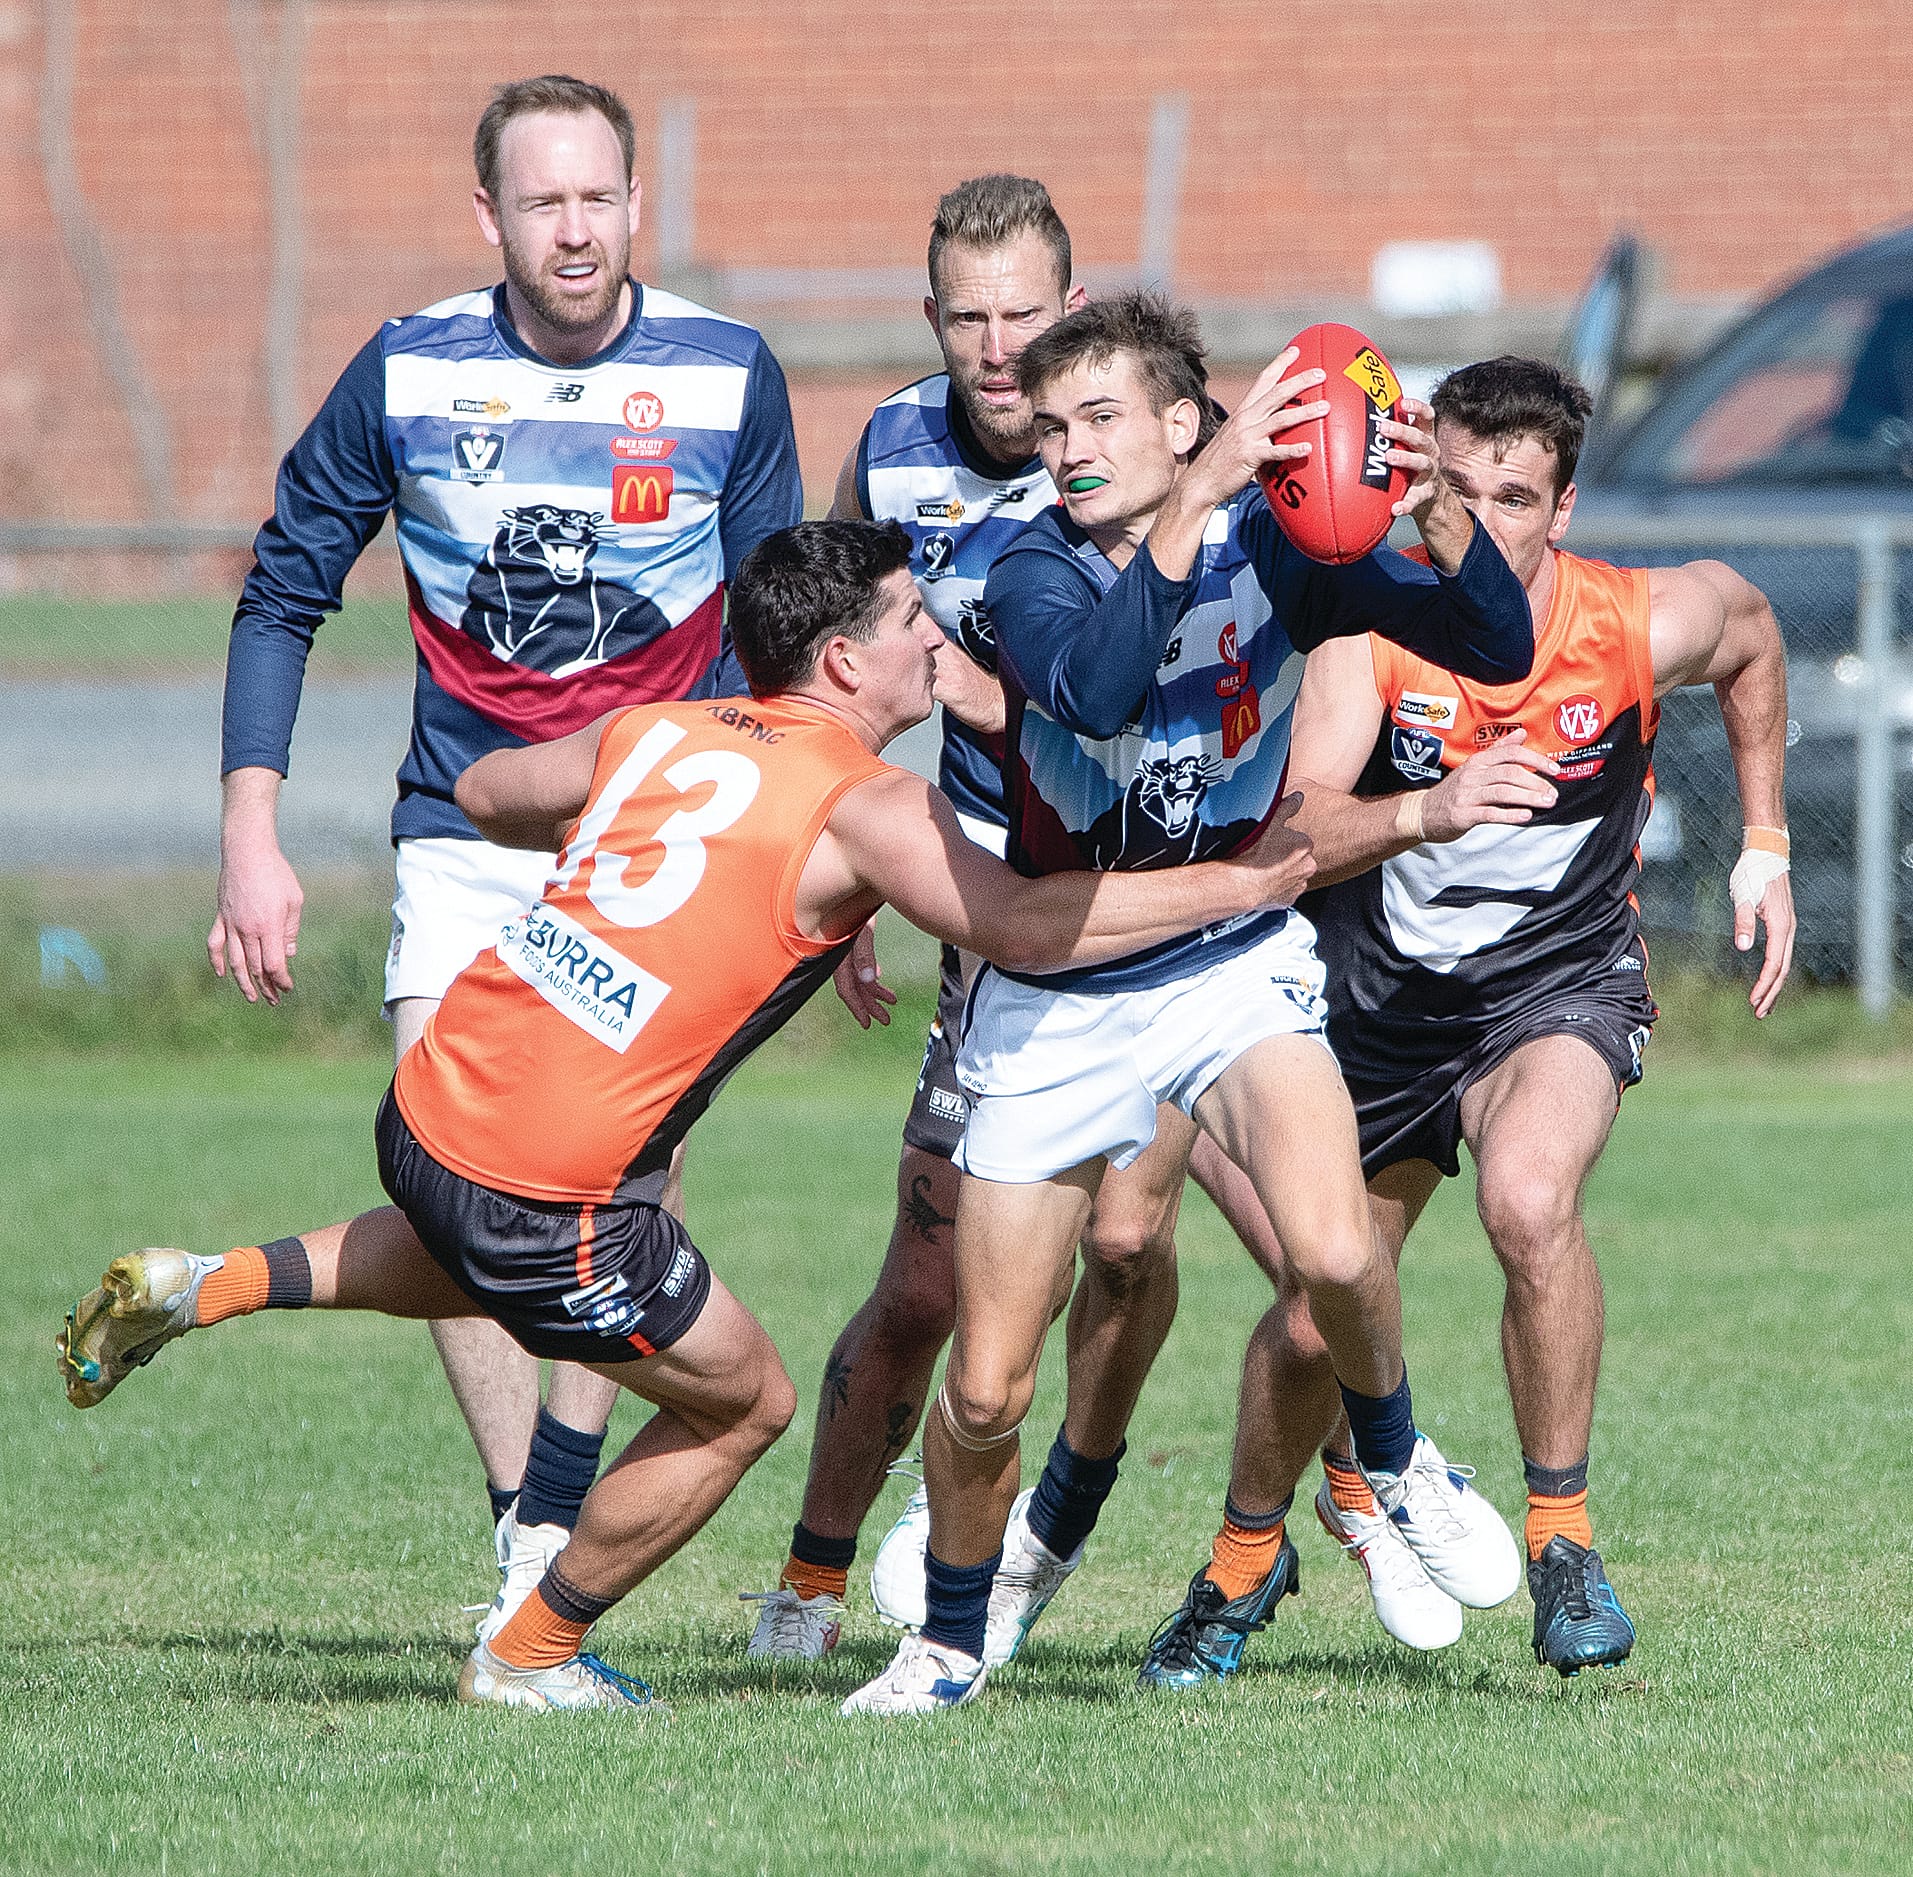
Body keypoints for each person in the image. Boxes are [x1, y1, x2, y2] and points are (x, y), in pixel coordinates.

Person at [58, 520, 1319, 1714]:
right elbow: (1026, 928)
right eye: (909, 620)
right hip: (548, 1178)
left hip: (439, 1096)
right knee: (743, 1400)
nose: (935, 637)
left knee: (476, 1240)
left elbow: (486, 786)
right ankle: (528, 1653)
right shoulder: (868, 804)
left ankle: (204, 1283)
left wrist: (622, 840)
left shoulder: (658, 727)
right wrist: (1238, 883)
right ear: (843, 662)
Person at [843, 294, 1538, 1717]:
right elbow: (1096, 692)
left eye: (1101, 417)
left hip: (1225, 959)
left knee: (1334, 1248)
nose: (1069, 447)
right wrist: (1197, 502)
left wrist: (1434, 512)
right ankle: (950, 1643)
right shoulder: (1021, 564)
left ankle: (1396, 1455)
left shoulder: (1274, 550)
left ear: (1179, 421)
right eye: (1053, 425)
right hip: (1060, 981)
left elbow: (1496, 645)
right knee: (985, 1388)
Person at [208, 74, 802, 1631]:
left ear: (636, 201)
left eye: (599, 197)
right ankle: (521, 1532)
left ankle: (549, 1518)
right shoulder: (408, 370)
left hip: (654, 850)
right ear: (489, 215)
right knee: (455, 1180)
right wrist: (251, 835)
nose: (576, 230)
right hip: (462, 829)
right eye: (544, 202)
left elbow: (783, 650)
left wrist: (829, 867)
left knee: (614, 1184)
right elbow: (282, 591)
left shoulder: (727, 373)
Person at [1156, 356, 1795, 1683]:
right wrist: (1428, 810)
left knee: (1528, 1197)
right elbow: (1296, 831)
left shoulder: (1634, 620)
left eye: (1515, 497)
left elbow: (1750, 632)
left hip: (1554, 986)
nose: (1484, 519)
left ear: (1561, 509)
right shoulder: (1377, 632)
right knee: (1318, 1308)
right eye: (1457, 486)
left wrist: (1765, 842)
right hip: (1381, 1011)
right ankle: (1240, 1559)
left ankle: (1563, 1543)